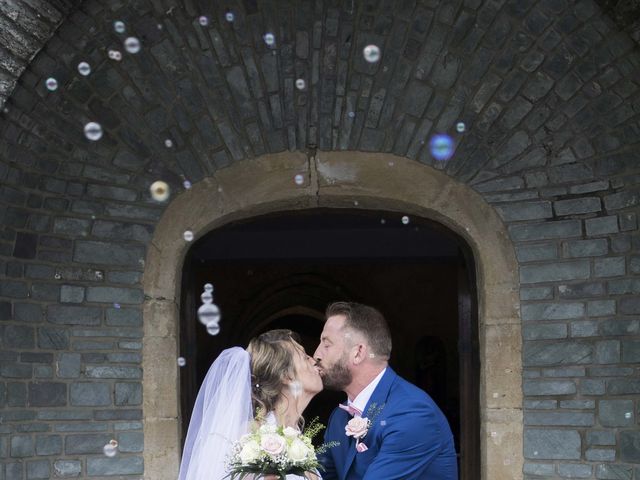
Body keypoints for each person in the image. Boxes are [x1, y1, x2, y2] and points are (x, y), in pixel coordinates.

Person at [314, 302, 458, 480]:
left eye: (326, 344)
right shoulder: (339, 417)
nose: (316, 354)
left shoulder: (413, 413)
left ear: (358, 352)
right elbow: (319, 475)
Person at [178, 329, 323, 480]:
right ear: (286, 376)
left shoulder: (299, 442)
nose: (314, 360)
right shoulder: (244, 440)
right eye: (305, 357)